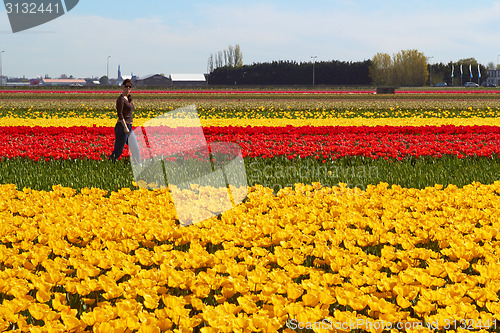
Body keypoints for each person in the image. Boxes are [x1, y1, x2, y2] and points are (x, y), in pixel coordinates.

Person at [109, 79, 141, 164]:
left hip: (129, 127)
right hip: (122, 127)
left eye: (129, 87)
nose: (128, 88)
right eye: (126, 86)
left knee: (135, 149)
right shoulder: (121, 99)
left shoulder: (128, 98)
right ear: (122, 87)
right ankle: (109, 164)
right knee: (118, 151)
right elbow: (120, 114)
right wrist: (125, 127)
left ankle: (139, 166)